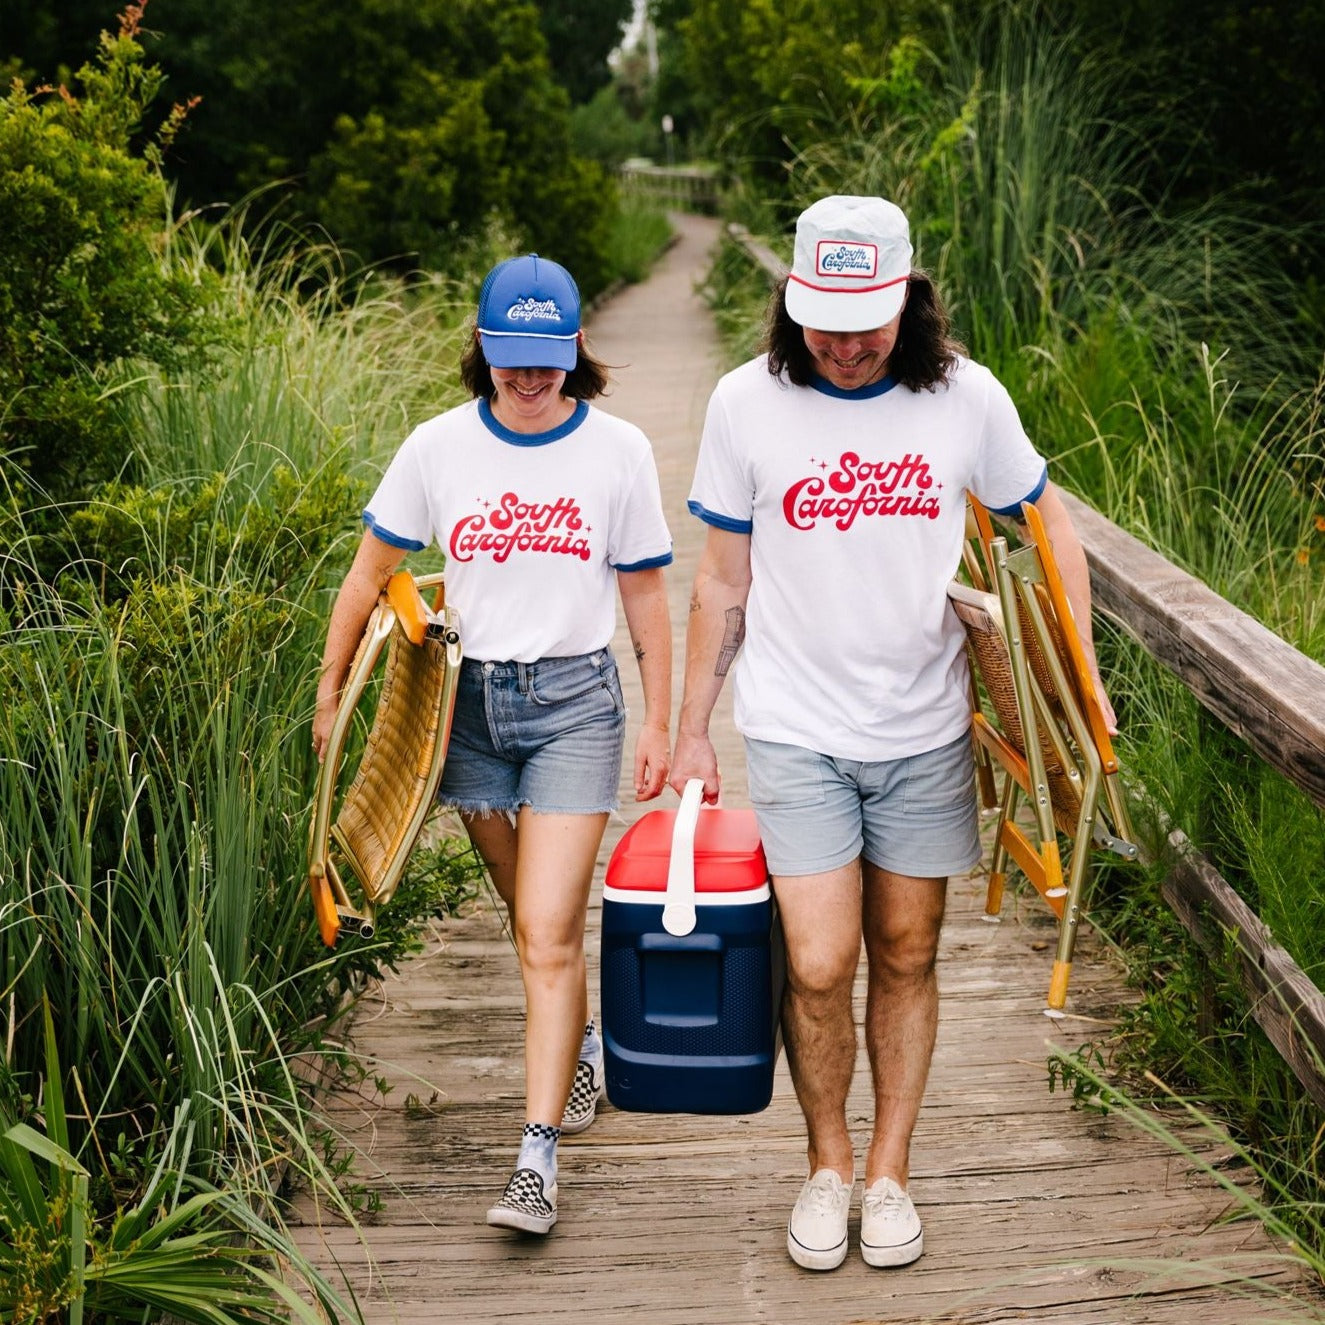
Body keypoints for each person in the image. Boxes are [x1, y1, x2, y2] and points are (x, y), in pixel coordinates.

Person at [669, 195, 1116, 1272]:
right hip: (792, 721)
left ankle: (889, 1171)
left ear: (909, 300)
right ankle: (825, 1163)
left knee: (907, 951)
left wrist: (1081, 679)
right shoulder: (744, 403)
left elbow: (1044, 518)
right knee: (819, 960)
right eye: (823, 316)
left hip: (922, 725)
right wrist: (690, 729)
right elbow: (720, 578)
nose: (845, 341)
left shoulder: (964, 399)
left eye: (867, 318)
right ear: (789, 299)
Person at [313, 253, 673, 1237]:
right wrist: (328, 689)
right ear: (481, 348)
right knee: (529, 917)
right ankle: (587, 1039)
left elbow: (644, 589)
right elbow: (367, 572)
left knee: (548, 931)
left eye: (545, 358)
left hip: (574, 707)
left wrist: (660, 716)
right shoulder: (437, 448)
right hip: (466, 713)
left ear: (576, 349)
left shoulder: (618, 451)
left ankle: (535, 1153)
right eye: (510, 357)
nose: (528, 376)